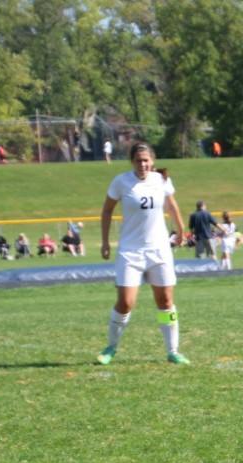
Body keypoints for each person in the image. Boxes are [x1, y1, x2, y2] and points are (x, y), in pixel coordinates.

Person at [97, 141, 189, 366]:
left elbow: (172, 205)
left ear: (152, 161)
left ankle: (173, 351)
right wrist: (105, 241)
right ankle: (111, 347)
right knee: (126, 302)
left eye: (146, 160)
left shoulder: (161, 180)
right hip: (131, 251)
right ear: (132, 162)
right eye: (138, 160)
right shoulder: (121, 182)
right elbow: (107, 210)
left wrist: (181, 230)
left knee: (166, 300)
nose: (143, 164)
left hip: (159, 250)